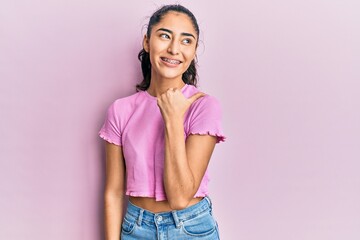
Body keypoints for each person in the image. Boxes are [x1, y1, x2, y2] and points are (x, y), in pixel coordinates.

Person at [98, 4, 225, 240]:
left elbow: (179, 198)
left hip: (191, 228)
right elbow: (113, 193)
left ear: (194, 50)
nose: (174, 49)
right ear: (147, 42)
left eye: (186, 41)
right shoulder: (121, 110)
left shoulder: (204, 106)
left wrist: (173, 120)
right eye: (165, 36)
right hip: (135, 229)